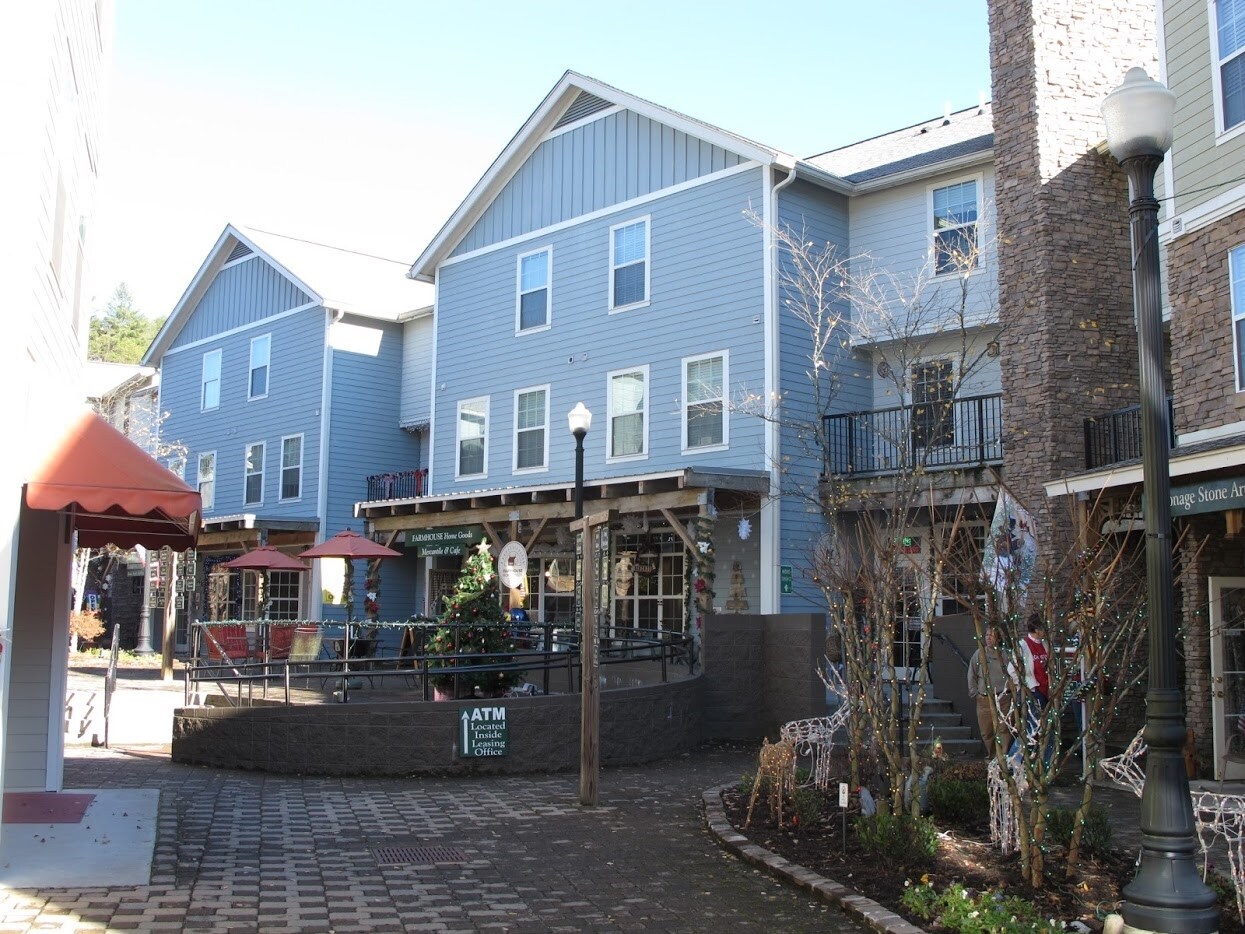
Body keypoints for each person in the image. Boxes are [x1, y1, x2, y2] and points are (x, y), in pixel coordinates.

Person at [967, 626, 1011, 758]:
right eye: (987, 635)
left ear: (998, 638)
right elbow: (971, 674)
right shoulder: (979, 654)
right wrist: (974, 691)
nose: (988, 638)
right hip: (984, 698)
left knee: (1004, 728)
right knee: (986, 731)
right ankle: (991, 754)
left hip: (1003, 697)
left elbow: (1013, 675)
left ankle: (1003, 756)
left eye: (991, 635)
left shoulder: (1005, 655)